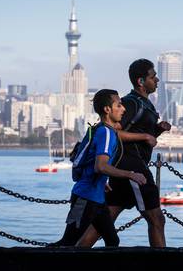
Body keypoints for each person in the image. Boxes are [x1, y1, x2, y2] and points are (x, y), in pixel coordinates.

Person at [78, 58, 171, 248]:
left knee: (105, 221)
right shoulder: (131, 103)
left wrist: (157, 130)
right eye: (153, 77)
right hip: (132, 167)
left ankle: (77, 252)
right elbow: (114, 131)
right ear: (141, 81)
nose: (157, 80)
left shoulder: (146, 105)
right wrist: (146, 136)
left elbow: (138, 135)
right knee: (156, 219)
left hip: (128, 168)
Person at [48, 89, 147, 247]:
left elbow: (92, 164)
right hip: (85, 198)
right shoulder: (106, 133)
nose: (124, 109)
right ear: (107, 109)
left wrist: (102, 181)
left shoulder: (99, 129)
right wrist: (131, 174)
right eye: (119, 105)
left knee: (112, 240)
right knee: (68, 242)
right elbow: (100, 166)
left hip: (97, 200)